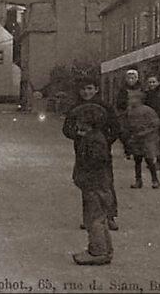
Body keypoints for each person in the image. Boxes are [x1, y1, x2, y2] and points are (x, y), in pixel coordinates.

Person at [63, 78, 122, 231]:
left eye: (89, 88)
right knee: (86, 183)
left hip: (102, 153)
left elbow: (115, 128)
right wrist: (77, 134)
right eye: (83, 89)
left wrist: (104, 142)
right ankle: (89, 217)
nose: (86, 92)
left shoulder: (105, 107)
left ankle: (110, 216)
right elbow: (66, 129)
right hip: (82, 151)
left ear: (96, 89)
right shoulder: (75, 108)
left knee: (106, 183)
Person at [68, 103, 114, 266]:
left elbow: (94, 162)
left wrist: (83, 176)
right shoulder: (93, 137)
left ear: (86, 122)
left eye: (78, 121)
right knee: (99, 218)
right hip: (97, 184)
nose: (76, 124)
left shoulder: (93, 140)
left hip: (94, 185)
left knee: (93, 219)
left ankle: (97, 251)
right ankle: (105, 249)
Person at [121, 90, 160, 189]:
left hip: (147, 139)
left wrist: (145, 132)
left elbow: (155, 124)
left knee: (149, 160)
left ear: (139, 100)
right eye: (129, 98)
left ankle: (155, 180)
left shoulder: (148, 110)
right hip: (135, 139)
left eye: (132, 98)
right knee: (137, 160)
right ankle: (138, 181)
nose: (129, 100)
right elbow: (126, 123)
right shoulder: (129, 111)